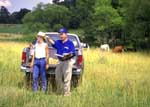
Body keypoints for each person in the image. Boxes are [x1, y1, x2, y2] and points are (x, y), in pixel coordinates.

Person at [45, 28, 76, 96]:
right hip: (60, 62)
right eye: (60, 34)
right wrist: (48, 38)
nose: (60, 36)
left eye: (62, 34)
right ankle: (60, 91)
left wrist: (68, 55)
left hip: (67, 62)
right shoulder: (59, 42)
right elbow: (53, 43)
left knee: (67, 79)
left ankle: (66, 94)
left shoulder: (70, 43)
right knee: (57, 77)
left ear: (66, 34)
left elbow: (73, 53)